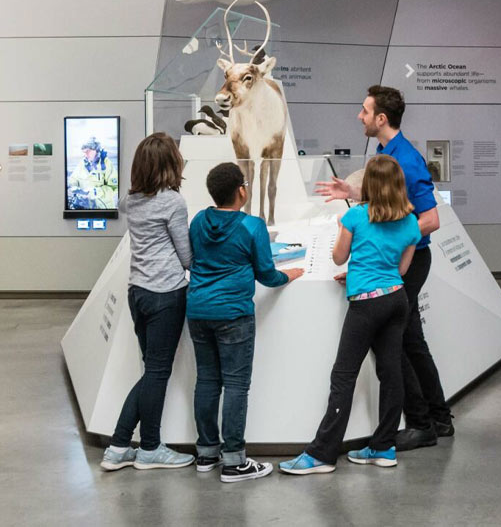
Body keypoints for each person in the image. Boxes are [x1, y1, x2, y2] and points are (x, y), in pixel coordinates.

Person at [316, 85, 453, 451]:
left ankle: (424, 423)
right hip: (399, 260)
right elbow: (391, 207)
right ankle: (438, 418)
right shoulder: (385, 152)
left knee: (400, 347)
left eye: (364, 111)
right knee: (412, 342)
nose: (359, 116)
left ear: (381, 118)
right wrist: (355, 193)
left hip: (410, 260)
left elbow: (430, 219)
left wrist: (383, 252)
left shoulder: (406, 160)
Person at [279, 154, 421, 474]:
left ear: (368, 184)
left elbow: (340, 256)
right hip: (396, 300)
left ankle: (322, 454)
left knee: (343, 376)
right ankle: (384, 446)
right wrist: (366, 271)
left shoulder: (356, 217)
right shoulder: (411, 222)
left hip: (365, 305)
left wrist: (356, 270)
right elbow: (399, 269)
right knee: (390, 373)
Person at [187, 162, 303, 483]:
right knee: (236, 384)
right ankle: (235, 461)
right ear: (242, 190)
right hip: (233, 313)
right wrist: (289, 274)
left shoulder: (198, 221)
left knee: (207, 381)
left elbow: (194, 257)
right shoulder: (252, 226)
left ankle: (207, 452)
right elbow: (267, 274)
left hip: (198, 310)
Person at [100, 132, 195, 471]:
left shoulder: (130, 202)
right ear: (172, 164)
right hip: (165, 294)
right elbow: (186, 257)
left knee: (151, 371)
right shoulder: (173, 202)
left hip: (137, 292)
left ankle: (121, 446)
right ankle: (146, 447)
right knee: (156, 373)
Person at [67, 136, 119, 209]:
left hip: (104, 209)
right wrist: (74, 187)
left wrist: (95, 192)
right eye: (84, 152)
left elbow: (114, 187)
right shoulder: (82, 163)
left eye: (87, 151)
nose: (85, 155)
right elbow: (73, 179)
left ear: (96, 150)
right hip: (86, 208)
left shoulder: (106, 164)